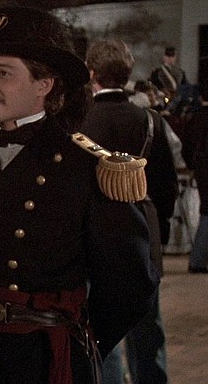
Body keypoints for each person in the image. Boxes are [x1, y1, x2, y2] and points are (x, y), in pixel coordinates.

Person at [0, 7, 159, 383]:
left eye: (4, 73)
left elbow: (131, 280)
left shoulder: (85, 167)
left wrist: (81, 340)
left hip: (46, 357)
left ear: (44, 84)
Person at [83, 39, 177, 384]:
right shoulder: (150, 120)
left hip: (95, 230)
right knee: (147, 323)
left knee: (99, 327)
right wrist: (160, 227)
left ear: (92, 73)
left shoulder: (81, 122)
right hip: (142, 224)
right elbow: (167, 184)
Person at [180, 77, 208, 275]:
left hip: (201, 169)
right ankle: (198, 259)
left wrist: (193, 165)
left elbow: (186, 147)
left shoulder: (194, 118)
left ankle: (198, 258)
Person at [150, 46, 195, 117]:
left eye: (172, 56)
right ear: (164, 57)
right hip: (163, 97)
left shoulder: (180, 72)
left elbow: (185, 85)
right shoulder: (157, 72)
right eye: (168, 56)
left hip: (177, 99)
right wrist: (163, 90)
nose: (170, 58)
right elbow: (153, 85)